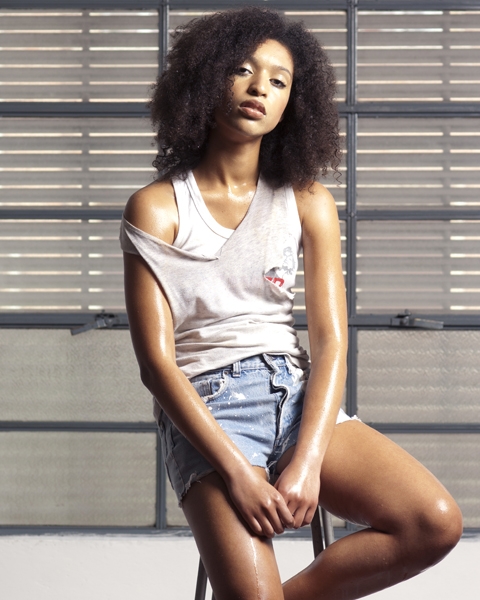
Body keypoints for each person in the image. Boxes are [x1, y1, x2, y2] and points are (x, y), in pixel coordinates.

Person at [120, 7, 462, 599]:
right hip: (208, 406)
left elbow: (330, 342)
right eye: (243, 70)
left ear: (291, 105)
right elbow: (157, 365)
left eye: (278, 81)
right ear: (205, 80)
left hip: (296, 394)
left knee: (433, 522)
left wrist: (307, 459)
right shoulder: (156, 207)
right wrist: (235, 471)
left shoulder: (307, 200)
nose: (260, 88)